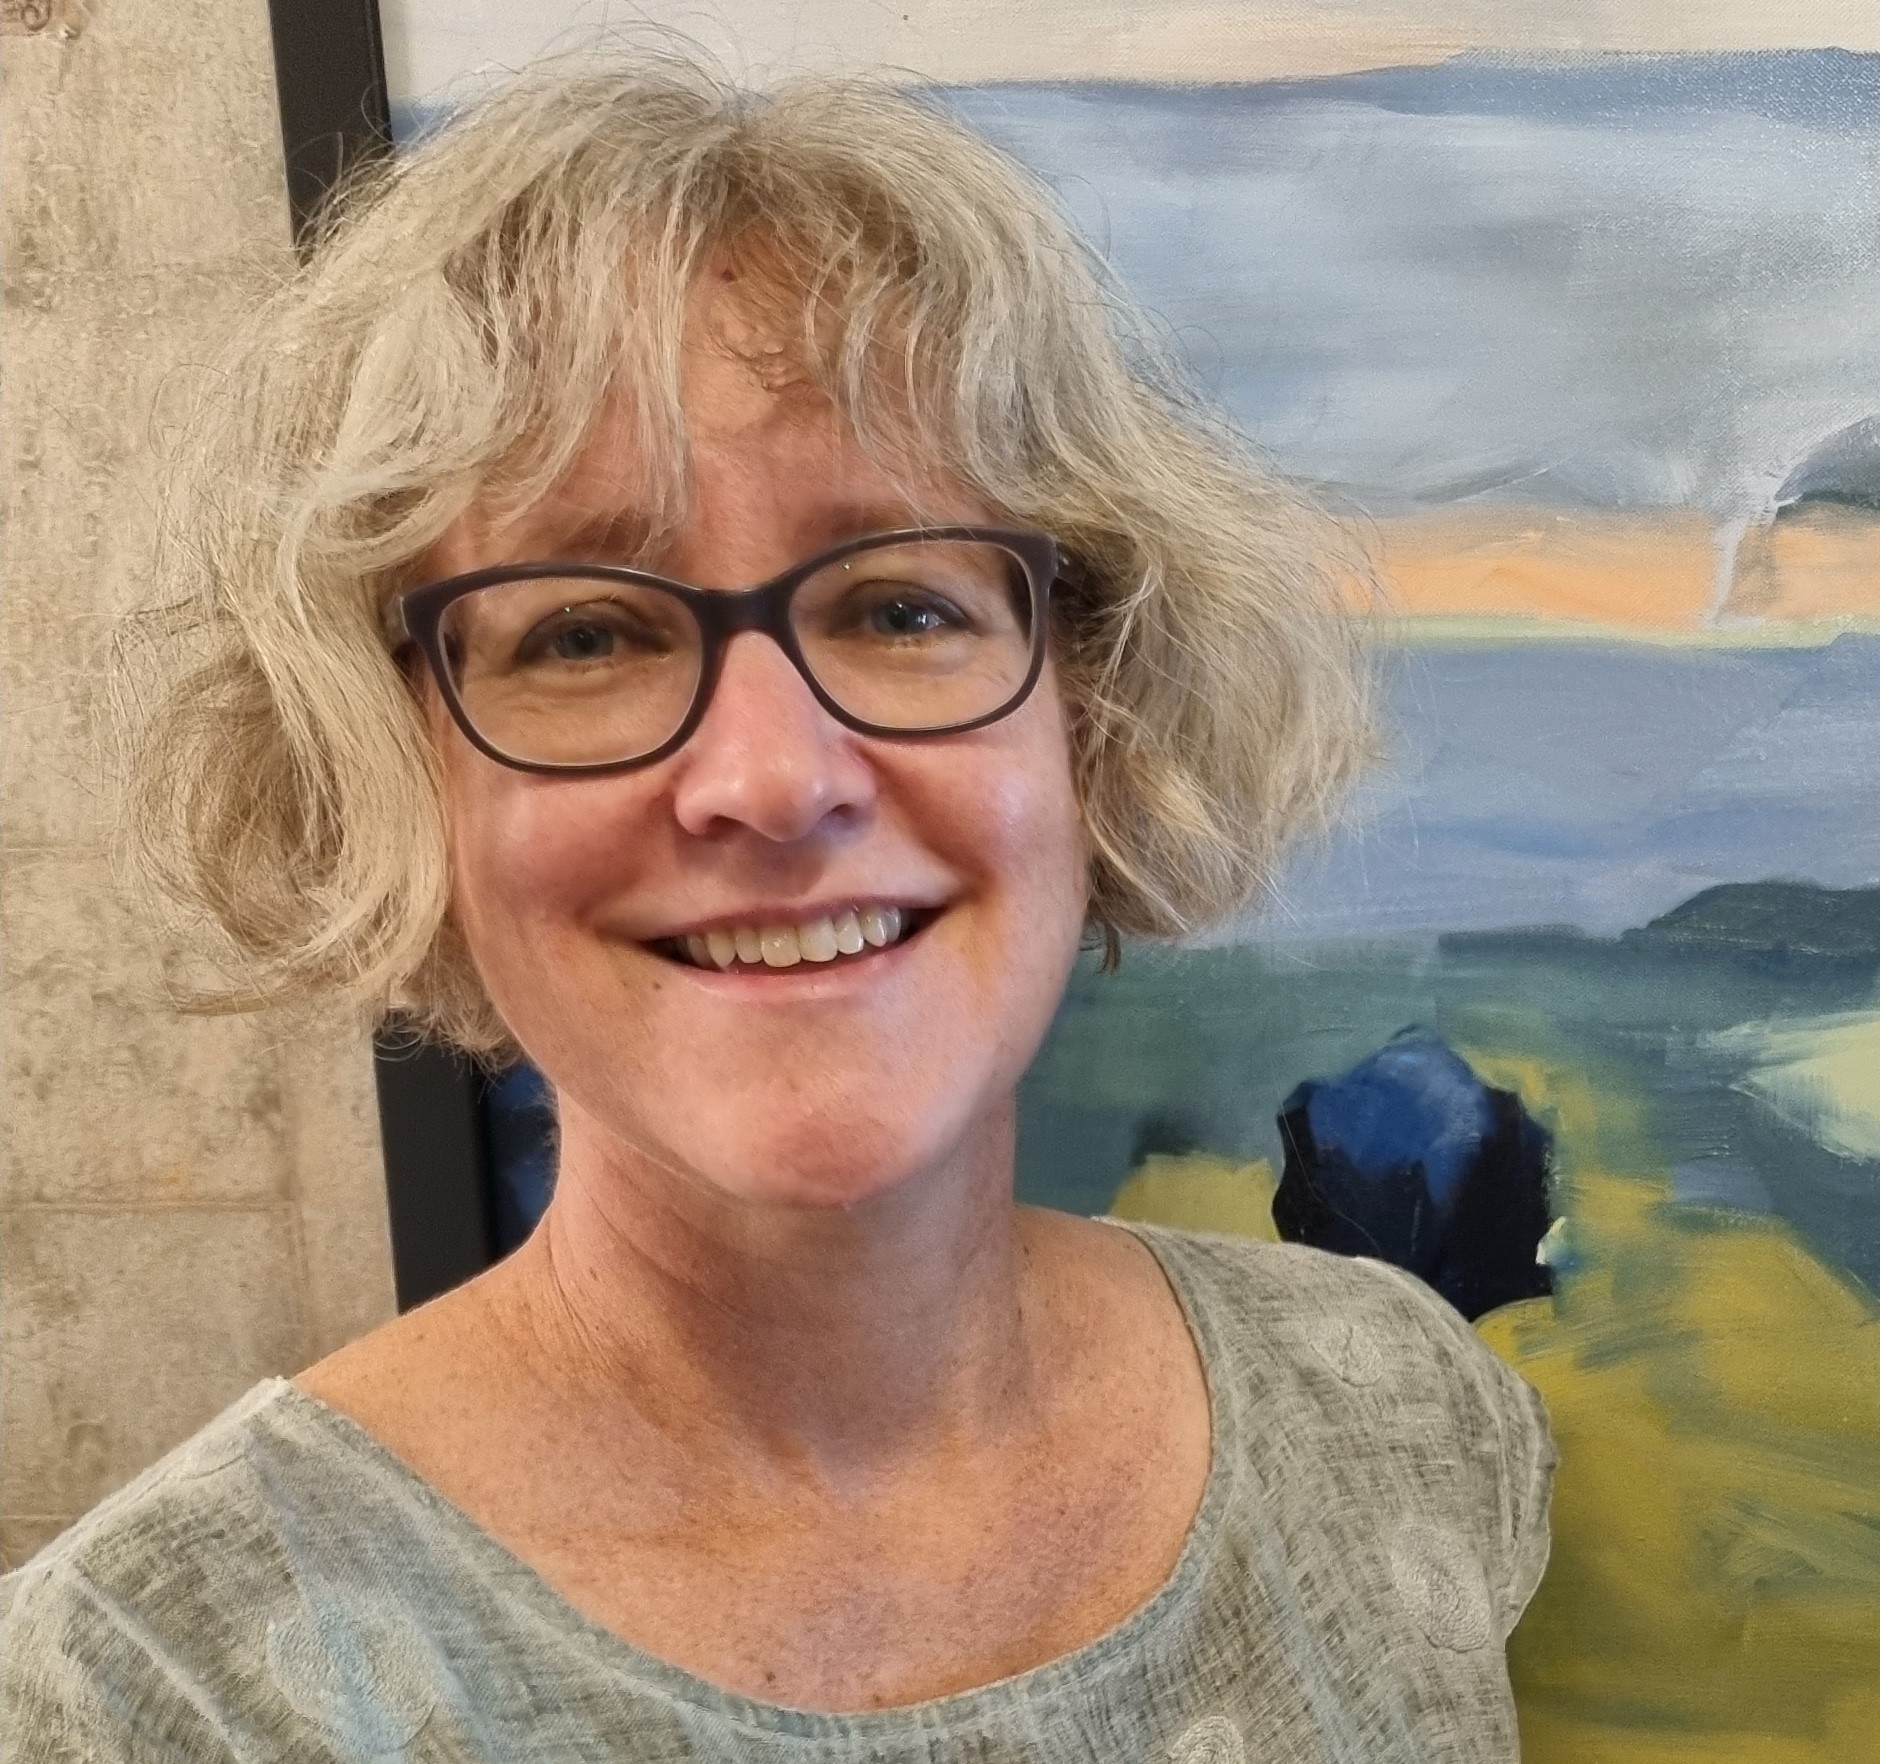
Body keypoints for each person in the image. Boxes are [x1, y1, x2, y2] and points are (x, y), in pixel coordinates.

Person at [1, 55, 1552, 1762]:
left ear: (1092, 708)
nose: (772, 776)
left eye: (900, 606)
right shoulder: (154, 1689)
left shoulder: (1398, 1422)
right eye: (584, 634)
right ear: (394, 772)